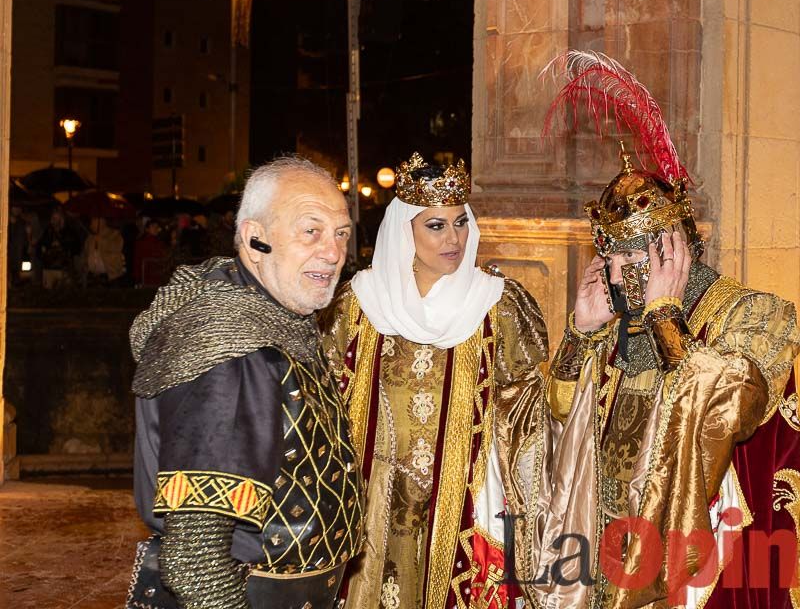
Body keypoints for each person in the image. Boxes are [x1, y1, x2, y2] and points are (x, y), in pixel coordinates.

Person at [537, 51, 800, 609]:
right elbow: (556, 429)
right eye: (608, 256)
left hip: (696, 566)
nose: (617, 272)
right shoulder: (613, 321)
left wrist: (665, 318)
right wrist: (579, 336)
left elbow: (727, 405)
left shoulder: (750, 316)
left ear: (674, 248)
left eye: (632, 256)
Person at [124, 155, 363, 609]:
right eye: (310, 231)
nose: (333, 253)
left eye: (341, 234)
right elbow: (197, 562)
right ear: (256, 240)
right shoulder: (232, 353)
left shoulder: (264, 310)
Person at [319, 153, 548, 609]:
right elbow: (327, 404)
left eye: (461, 223)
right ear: (406, 231)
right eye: (436, 226)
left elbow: (528, 414)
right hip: (375, 504)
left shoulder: (497, 304)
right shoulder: (359, 303)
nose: (454, 238)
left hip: (467, 502)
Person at [37, 208, 80, 288]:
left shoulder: (69, 232)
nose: (53, 221)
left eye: (55, 218)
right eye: (52, 218)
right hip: (49, 267)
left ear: (61, 219)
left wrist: (62, 244)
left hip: (64, 268)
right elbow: (40, 246)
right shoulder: (48, 232)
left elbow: (75, 248)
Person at [83, 216, 126, 285]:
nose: (91, 225)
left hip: (110, 277)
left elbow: (117, 247)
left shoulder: (114, 234)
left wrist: (101, 240)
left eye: (94, 220)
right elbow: (86, 254)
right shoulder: (90, 238)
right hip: (92, 277)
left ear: (101, 221)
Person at [133, 219, 169, 287]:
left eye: (157, 227)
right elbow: (138, 260)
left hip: (157, 275)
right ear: (147, 229)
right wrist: (138, 277)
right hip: (147, 275)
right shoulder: (141, 243)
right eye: (153, 226)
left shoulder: (160, 242)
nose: (155, 228)